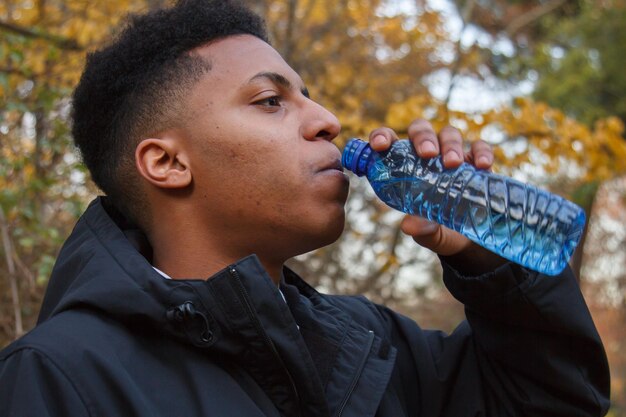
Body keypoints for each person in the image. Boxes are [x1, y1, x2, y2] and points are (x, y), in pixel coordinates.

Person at [0, 0, 610, 416]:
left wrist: (490, 260)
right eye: (271, 101)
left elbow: (553, 401)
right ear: (168, 163)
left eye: (309, 98)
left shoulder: (372, 346)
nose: (326, 121)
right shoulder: (60, 378)